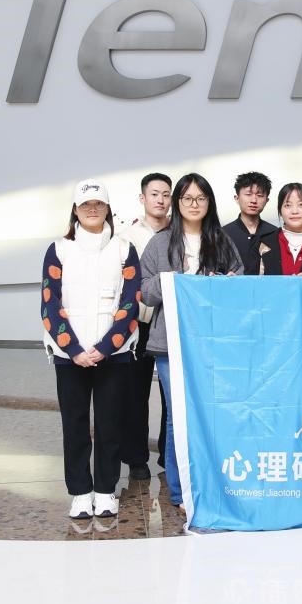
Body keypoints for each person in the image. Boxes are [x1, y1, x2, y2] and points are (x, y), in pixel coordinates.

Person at [140, 173, 244, 511]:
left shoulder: (222, 241)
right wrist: (171, 281)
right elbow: (144, 292)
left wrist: (226, 283)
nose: (194, 204)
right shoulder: (160, 243)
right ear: (177, 203)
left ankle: (211, 484)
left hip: (213, 342)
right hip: (170, 342)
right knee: (178, 416)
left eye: (200, 198)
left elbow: (239, 281)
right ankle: (180, 491)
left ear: (209, 202)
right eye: (187, 198)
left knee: (211, 414)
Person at [41, 179, 141, 520]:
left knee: (111, 424)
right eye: (86, 205)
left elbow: (130, 303)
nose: (93, 209)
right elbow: (50, 303)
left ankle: (106, 490)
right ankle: (81, 493)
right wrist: (73, 349)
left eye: (99, 203)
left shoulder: (124, 248)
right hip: (70, 356)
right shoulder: (58, 249)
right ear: (75, 210)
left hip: (114, 354)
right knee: (75, 424)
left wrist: (105, 347)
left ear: (108, 209)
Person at [121, 172, 171, 480]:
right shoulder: (127, 236)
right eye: (154, 194)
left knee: (170, 392)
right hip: (137, 323)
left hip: (169, 321)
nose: (160, 200)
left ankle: (168, 454)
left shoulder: (179, 233)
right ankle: (136, 458)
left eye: (166, 194)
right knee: (135, 393)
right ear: (143, 198)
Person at [222, 171, 277, 271]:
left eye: (260, 195)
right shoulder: (223, 234)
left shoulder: (275, 233)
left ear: (266, 201)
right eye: (248, 194)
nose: (254, 200)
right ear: (237, 198)